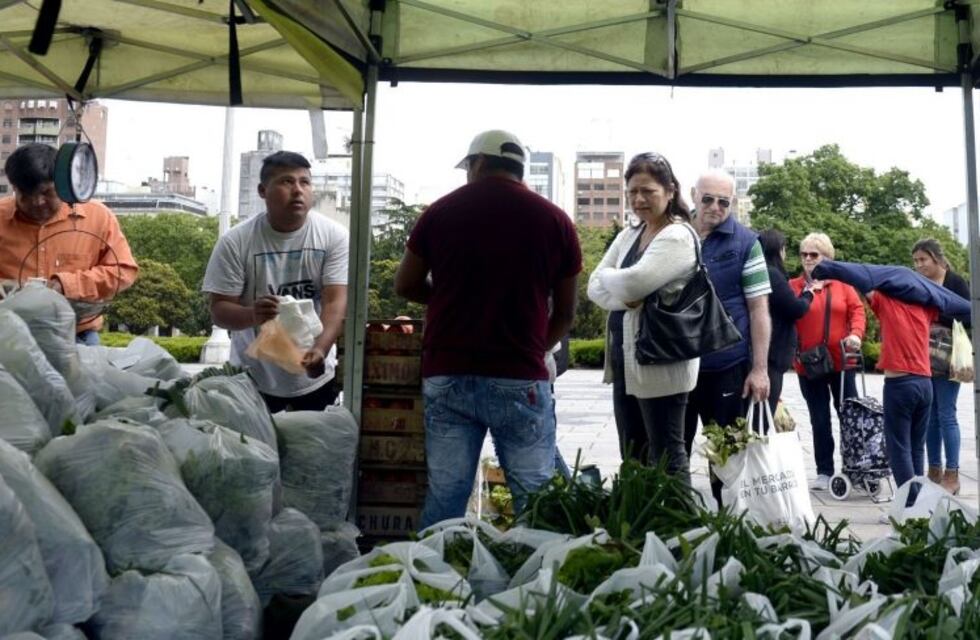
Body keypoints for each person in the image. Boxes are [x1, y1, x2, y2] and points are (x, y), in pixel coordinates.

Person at [394, 129, 580, 529]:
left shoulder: (440, 212)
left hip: (449, 374)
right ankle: (539, 583)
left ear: (477, 164)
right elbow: (566, 312)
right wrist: (535, 347)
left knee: (446, 494)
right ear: (518, 168)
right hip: (519, 377)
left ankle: (428, 580)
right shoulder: (555, 220)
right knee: (534, 495)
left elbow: (404, 285)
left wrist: (451, 299)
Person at [203, 151, 348, 412]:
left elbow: (335, 301)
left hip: (315, 378)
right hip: (252, 380)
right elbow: (219, 311)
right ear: (262, 190)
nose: (298, 190)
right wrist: (252, 314)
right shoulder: (236, 242)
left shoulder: (333, 236)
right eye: (286, 182)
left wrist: (321, 349)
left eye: (305, 182)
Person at [587, 152, 698, 483]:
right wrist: (628, 293)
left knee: (667, 454)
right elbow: (595, 287)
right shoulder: (630, 235)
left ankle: (683, 528)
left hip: (663, 360)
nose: (639, 199)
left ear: (669, 190)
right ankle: (642, 527)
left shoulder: (677, 236)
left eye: (648, 191)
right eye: (632, 191)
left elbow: (633, 282)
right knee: (632, 455)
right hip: (627, 363)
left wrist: (622, 281)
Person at [682, 169, 771, 503]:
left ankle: (729, 522)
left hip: (726, 366)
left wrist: (759, 369)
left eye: (724, 201)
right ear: (694, 195)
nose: (716, 207)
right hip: (677, 364)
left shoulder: (746, 242)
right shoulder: (675, 234)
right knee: (674, 449)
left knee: (727, 456)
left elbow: (759, 309)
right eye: (708, 199)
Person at [0, 143, 138, 343]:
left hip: (77, 333)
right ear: (14, 188)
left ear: (63, 183)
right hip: (8, 333)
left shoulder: (97, 217)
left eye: (47, 193)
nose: (37, 202)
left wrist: (67, 285)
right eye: (25, 195)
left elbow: (124, 271)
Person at [788, 232, 865, 491]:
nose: (808, 259)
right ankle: (824, 470)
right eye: (804, 254)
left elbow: (857, 311)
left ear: (827, 257)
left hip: (842, 361)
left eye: (814, 254)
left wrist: (855, 334)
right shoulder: (794, 286)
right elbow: (787, 316)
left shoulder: (843, 285)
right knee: (818, 418)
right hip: (809, 363)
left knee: (850, 416)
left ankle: (856, 468)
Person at [912, 238, 969, 495]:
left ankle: (952, 473)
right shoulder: (919, 282)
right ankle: (933, 470)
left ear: (936, 258)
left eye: (923, 259)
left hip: (948, 355)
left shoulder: (955, 282)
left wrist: (935, 315)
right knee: (930, 415)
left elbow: (968, 313)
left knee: (946, 413)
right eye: (916, 261)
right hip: (923, 354)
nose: (919, 265)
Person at [758, 230, 812, 414]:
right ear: (778, 250)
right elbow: (794, 308)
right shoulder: (772, 274)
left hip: (767, 352)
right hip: (773, 353)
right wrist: (808, 294)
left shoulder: (760, 271)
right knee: (764, 415)